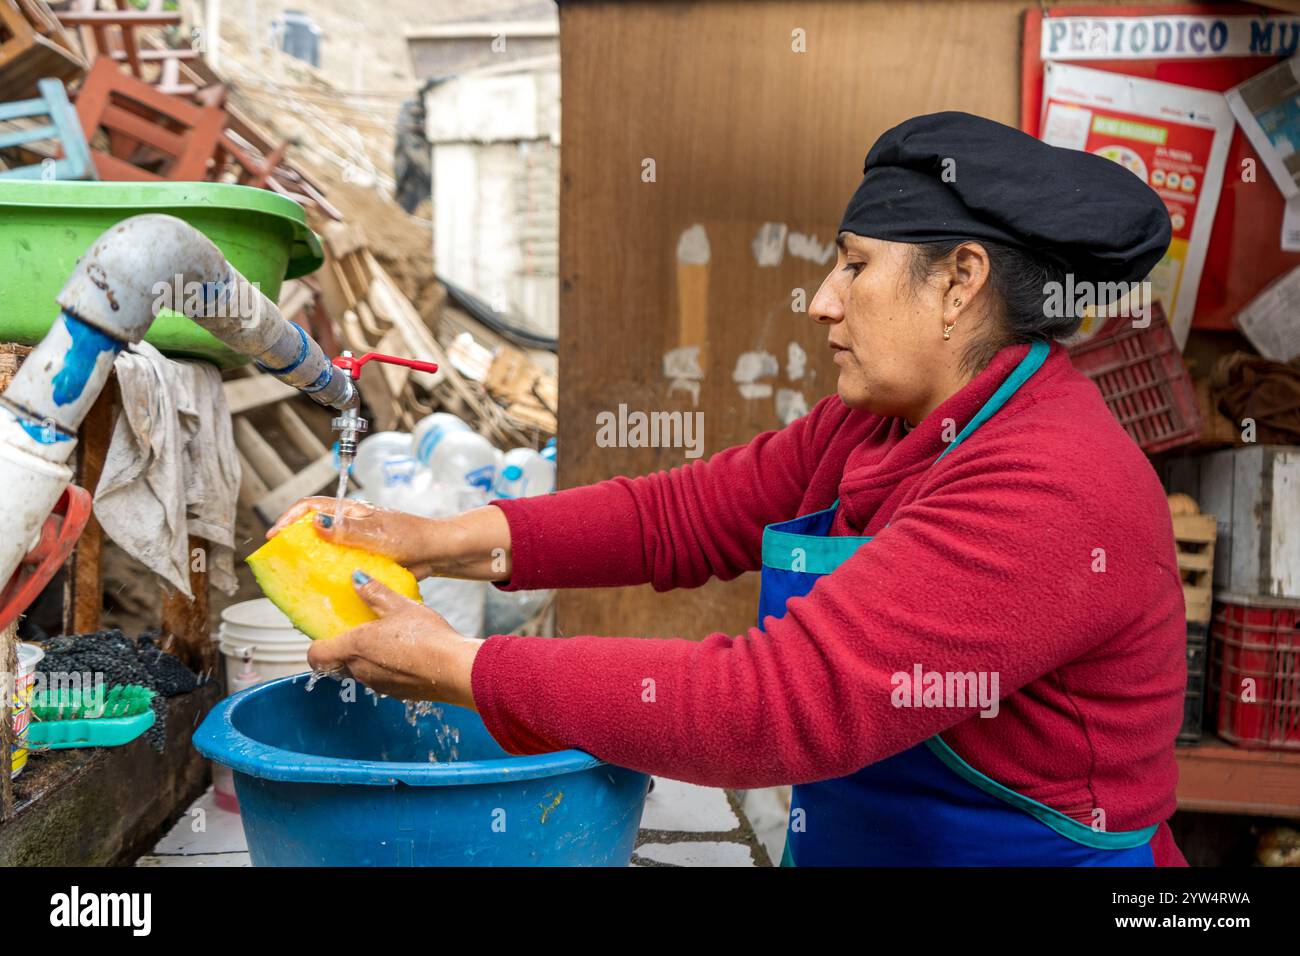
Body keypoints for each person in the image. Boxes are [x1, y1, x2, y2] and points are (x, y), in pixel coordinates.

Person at [270, 112, 1187, 866]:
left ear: (960, 283)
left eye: (856, 266)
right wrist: (424, 538)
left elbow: (778, 703)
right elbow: (681, 517)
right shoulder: (880, 422)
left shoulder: (1054, 487)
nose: (823, 300)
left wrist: (459, 668)